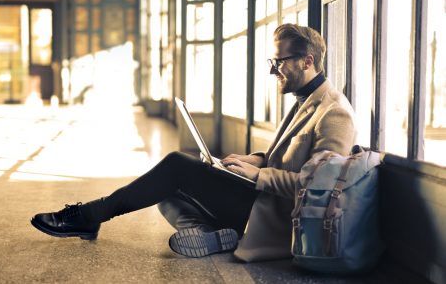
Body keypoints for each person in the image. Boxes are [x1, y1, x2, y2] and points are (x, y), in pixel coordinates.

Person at [31, 24, 355, 262]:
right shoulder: (306, 100)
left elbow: (319, 190)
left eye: (279, 62)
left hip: (274, 217)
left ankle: (89, 216)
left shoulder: (333, 113)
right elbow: (286, 158)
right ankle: (210, 235)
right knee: (163, 193)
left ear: (307, 60)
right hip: (258, 200)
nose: (273, 70)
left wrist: (257, 176)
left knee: (176, 165)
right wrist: (254, 160)